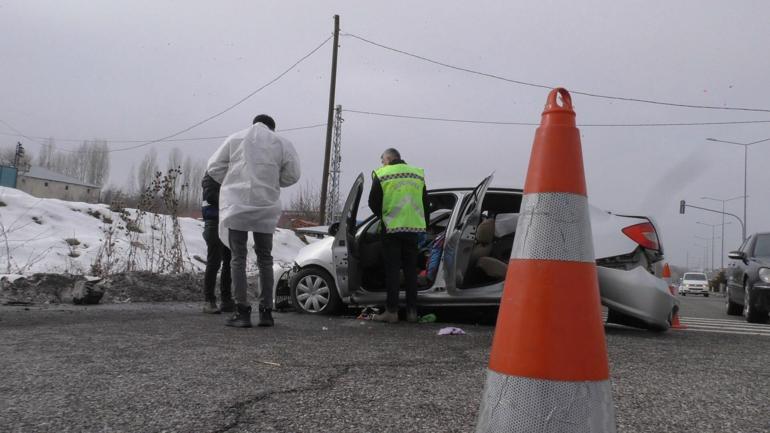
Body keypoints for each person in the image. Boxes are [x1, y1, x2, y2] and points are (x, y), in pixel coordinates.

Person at [206, 114, 301, 328]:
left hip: (237, 206)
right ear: (272, 128)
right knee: (265, 258)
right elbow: (293, 175)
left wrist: (232, 181)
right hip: (265, 206)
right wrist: (271, 181)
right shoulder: (282, 143)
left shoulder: (235, 138)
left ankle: (242, 312)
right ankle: (266, 312)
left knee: (238, 258)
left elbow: (213, 167)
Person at [368, 148, 430, 323]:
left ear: (388, 159)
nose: (382, 164)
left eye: (382, 160)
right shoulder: (417, 174)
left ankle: (392, 311)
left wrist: (384, 215)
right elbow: (425, 202)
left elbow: (373, 202)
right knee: (411, 271)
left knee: (393, 271)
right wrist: (426, 225)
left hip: (392, 228)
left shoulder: (383, 174)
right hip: (413, 229)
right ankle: (412, 312)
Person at [201, 173, 234, 314]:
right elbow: (210, 196)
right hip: (213, 222)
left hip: (228, 221)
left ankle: (226, 300)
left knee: (229, 262)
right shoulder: (212, 174)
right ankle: (209, 300)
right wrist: (232, 201)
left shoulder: (229, 174)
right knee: (214, 261)